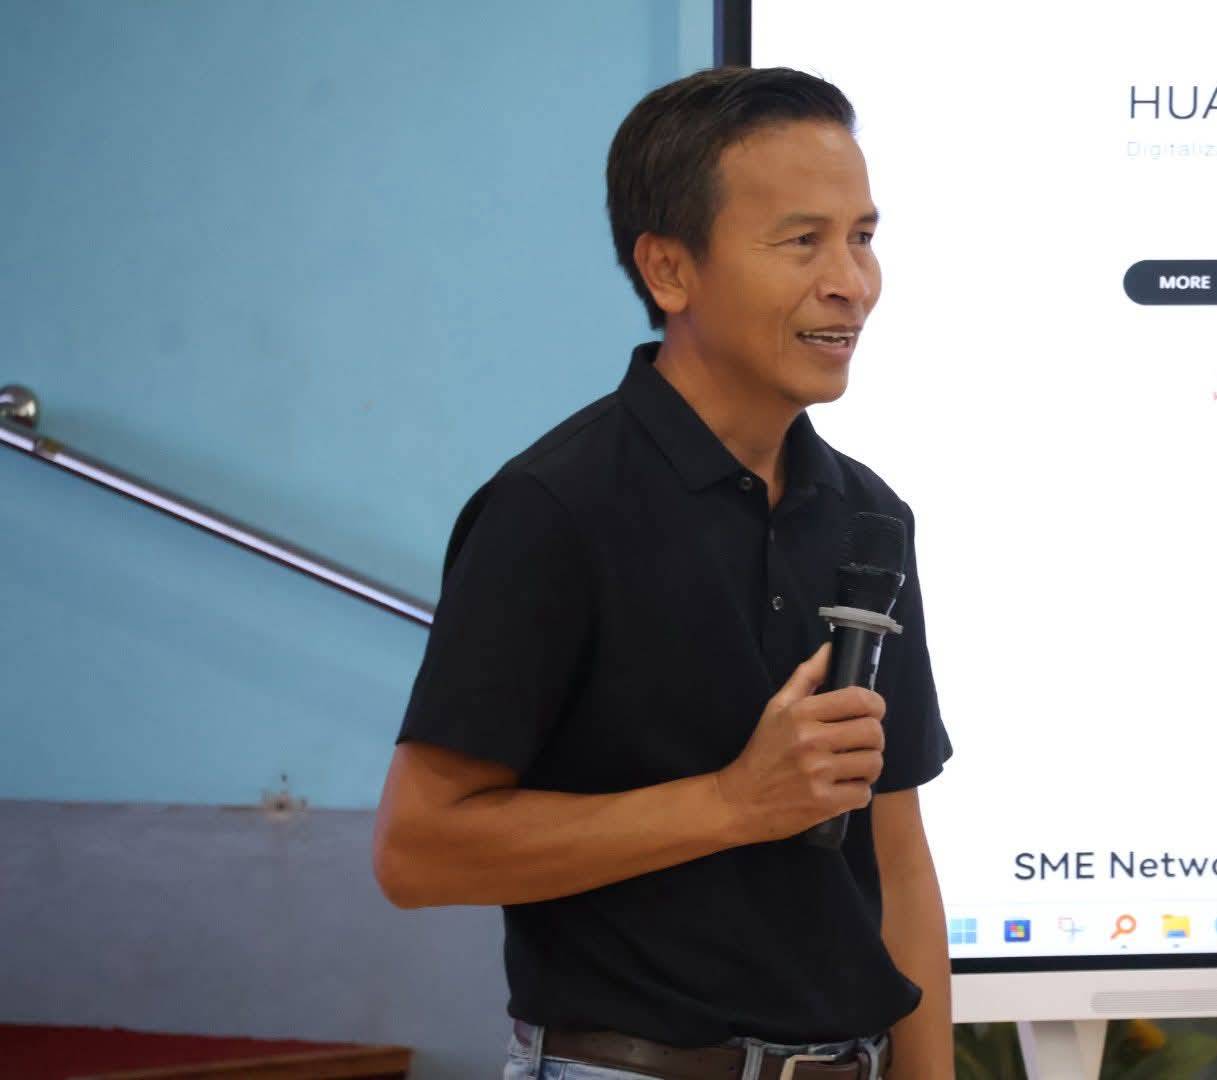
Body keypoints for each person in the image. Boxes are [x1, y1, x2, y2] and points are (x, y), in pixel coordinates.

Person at [372, 66, 953, 1080]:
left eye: (862, 237)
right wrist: (732, 802)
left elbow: (897, 857)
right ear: (670, 270)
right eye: (802, 241)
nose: (851, 282)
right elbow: (417, 853)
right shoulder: (555, 509)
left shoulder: (869, 514)